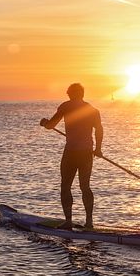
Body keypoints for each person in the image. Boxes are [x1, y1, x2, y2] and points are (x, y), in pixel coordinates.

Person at [40, 83, 103, 229]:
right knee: (85, 186)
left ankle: (68, 222)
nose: (68, 96)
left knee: (65, 186)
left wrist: (44, 123)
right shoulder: (93, 110)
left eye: (68, 93)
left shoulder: (66, 106)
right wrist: (98, 149)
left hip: (71, 152)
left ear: (71, 94)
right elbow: (99, 129)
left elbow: (51, 125)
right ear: (82, 94)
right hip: (87, 152)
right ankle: (89, 222)